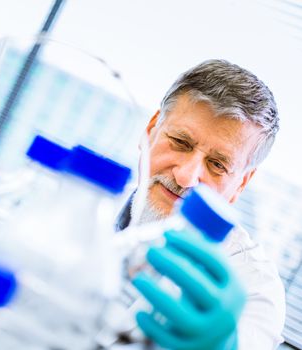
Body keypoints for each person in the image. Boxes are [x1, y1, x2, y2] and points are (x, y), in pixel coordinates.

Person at [116, 59, 286, 349]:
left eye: (217, 164)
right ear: (152, 129)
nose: (186, 177)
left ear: (241, 184)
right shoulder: (77, 199)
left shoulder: (255, 289)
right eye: (181, 142)